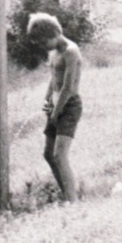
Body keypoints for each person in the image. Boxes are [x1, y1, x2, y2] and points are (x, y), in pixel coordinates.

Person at [28, 12, 82, 201]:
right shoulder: (53, 53)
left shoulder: (71, 51)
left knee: (60, 154)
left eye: (44, 42)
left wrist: (57, 111)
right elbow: (54, 79)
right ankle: (67, 193)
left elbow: (69, 87)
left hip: (69, 106)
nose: (44, 47)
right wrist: (47, 100)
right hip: (56, 105)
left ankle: (72, 201)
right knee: (48, 155)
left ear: (54, 33)